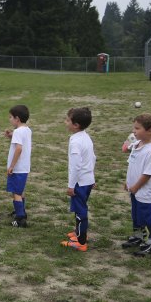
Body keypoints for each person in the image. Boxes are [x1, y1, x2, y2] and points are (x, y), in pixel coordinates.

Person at [122, 114, 151, 256]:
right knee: (136, 215)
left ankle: (150, 244)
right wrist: (128, 183)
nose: (134, 131)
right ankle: (138, 237)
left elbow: (147, 174)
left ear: (149, 131)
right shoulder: (137, 145)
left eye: (137, 128)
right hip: (134, 190)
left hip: (145, 193)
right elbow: (128, 156)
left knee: (148, 219)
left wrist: (136, 187)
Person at [60, 107, 96, 251]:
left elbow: (75, 166)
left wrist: (70, 186)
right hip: (86, 180)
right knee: (79, 208)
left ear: (76, 125)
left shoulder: (75, 142)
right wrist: (92, 177)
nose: (65, 122)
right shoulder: (85, 136)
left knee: (80, 210)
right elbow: (92, 158)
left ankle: (81, 242)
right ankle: (78, 233)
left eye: (68, 120)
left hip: (79, 182)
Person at [4, 105, 32, 228]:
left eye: (10, 117)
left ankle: (20, 219)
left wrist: (12, 166)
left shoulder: (18, 132)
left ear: (17, 119)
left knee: (16, 192)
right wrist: (11, 136)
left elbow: (19, 149)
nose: (9, 120)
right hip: (25, 167)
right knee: (20, 191)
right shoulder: (27, 130)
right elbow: (22, 141)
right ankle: (21, 212)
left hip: (18, 168)